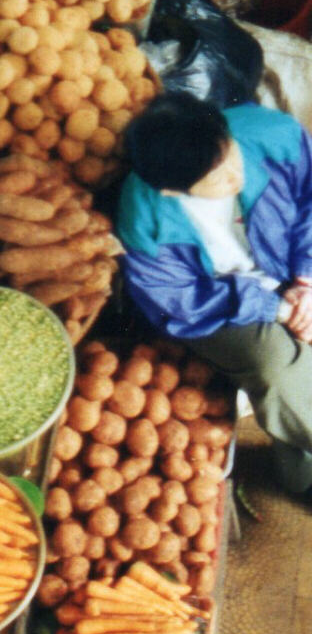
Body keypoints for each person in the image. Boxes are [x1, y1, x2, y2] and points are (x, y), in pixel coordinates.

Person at [119, 91, 312, 493]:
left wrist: (306, 280)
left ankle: (300, 466)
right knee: (276, 367)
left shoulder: (273, 135)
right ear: (173, 191)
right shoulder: (145, 221)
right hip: (221, 302)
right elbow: (183, 302)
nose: (234, 175)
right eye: (217, 178)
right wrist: (278, 309)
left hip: (295, 265)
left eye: (231, 156)